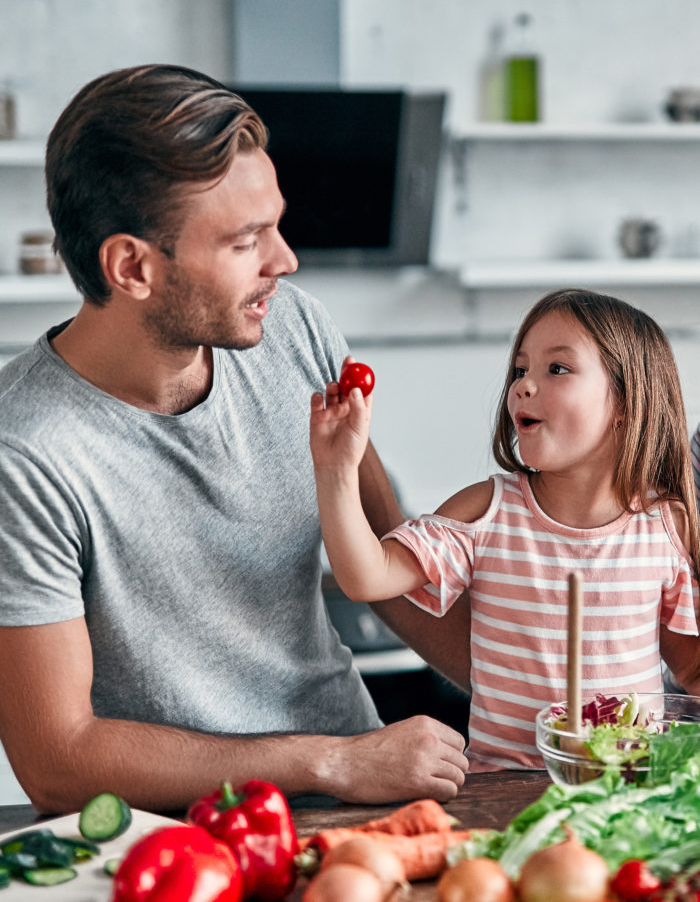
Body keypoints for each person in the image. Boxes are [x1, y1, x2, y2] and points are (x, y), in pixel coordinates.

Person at [0, 64, 469, 815]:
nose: (284, 261)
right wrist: (332, 759)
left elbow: (389, 556)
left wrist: (540, 695)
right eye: (248, 239)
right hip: (185, 839)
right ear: (132, 266)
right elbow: (57, 758)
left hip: (363, 800)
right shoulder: (25, 453)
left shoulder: (295, 329)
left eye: (275, 224)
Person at [310, 288, 700, 772]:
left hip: (625, 793)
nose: (523, 386)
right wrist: (334, 471)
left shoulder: (664, 525)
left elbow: (691, 667)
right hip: (501, 791)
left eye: (556, 369)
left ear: (625, 401)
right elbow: (367, 577)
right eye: (520, 370)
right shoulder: (487, 511)